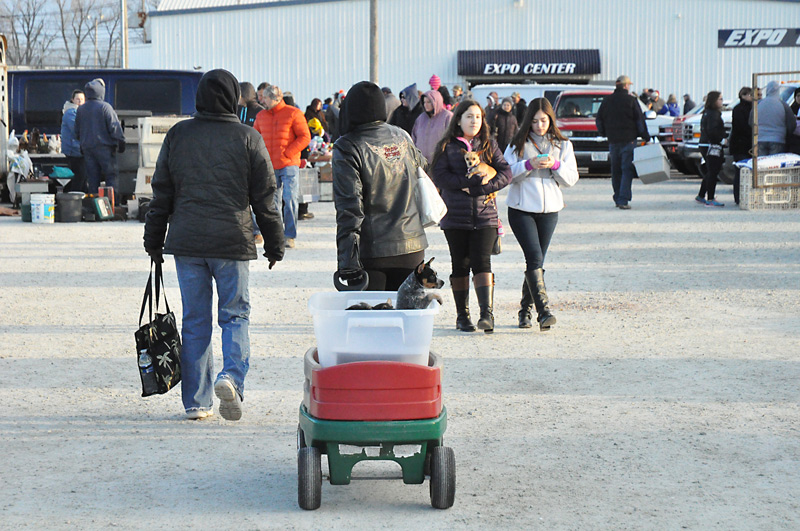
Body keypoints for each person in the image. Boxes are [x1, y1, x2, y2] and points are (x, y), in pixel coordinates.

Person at [143, 69, 285, 421]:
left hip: (188, 242)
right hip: (232, 242)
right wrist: (274, 243)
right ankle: (231, 377)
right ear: (234, 98)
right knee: (235, 315)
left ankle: (197, 402)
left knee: (195, 320)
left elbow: (162, 193)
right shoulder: (248, 137)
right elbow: (265, 197)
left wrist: (154, 240)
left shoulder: (178, 135)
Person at [332, 81, 428, 291]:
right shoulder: (401, 135)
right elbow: (422, 168)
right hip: (412, 244)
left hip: (373, 250)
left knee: (372, 311)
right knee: (407, 310)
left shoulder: (347, 145)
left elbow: (349, 207)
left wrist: (347, 260)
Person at [430, 100, 512, 334]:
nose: (474, 121)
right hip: (455, 216)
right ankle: (462, 316)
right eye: (469, 116)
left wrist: (479, 188)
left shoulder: (489, 145)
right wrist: (464, 184)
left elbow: (506, 173)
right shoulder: (446, 146)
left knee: (482, 261)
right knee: (460, 264)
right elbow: (439, 176)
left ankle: (487, 315)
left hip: (485, 215)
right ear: (458, 119)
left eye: (478, 116)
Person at [503, 98, 579, 330]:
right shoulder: (517, 143)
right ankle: (544, 312)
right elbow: (505, 174)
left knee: (536, 262)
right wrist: (528, 165)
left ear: (550, 120)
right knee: (534, 257)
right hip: (521, 209)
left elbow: (571, 178)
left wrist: (556, 165)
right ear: (528, 121)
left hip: (550, 211)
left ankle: (524, 311)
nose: (539, 126)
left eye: (544, 121)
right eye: (534, 121)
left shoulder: (563, 144)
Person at [253, 84, 311, 249]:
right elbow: (255, 137)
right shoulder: (261, 116)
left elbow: (305, 136)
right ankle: (277, 234)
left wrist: (288, 153)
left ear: (275, 98)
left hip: (289, 164)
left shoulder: (293, 113)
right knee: (272, 202)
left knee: (290, 198)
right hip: (269, 165)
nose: (262, 101)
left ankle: (290, 235)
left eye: (265, 98)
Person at [596, 75, 650, 209]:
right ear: (626, 86)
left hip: (613, 140)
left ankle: (617, 197)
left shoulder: (607, 101)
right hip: (629, 140)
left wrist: (604, 133)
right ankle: (623, 199)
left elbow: (599, 119)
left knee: (616, 170)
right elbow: (639, 120)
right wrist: (646, 136)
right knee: (626, 169)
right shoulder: (631, 100)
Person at [74, 78, 126, 196]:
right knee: (111, 177)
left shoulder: (81, 109)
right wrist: (121, 142)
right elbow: (115, 128)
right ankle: (112, 203)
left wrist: (83, 143)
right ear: (101, 92)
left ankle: (95, 204)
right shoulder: (105, 107)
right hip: (105, 149)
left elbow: (76, 131)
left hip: (87, 149)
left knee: (93, 179)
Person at [237, 82, 267, 243]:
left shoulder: (260, 112)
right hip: (239, 157)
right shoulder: (237, 110)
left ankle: (257, 231)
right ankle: (244, 229)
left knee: (256, 195)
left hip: (255, 157)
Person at [750, 80, 797, 156]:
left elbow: (751, 122)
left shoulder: (758, 104)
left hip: (760, 139)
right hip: (778, 139)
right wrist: (786, 134)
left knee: (761, 162)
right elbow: (791, 124)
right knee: (774, 162)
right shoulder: (783, 105)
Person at [696, 91, 726, 207]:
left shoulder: (707, 112)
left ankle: (701, 195)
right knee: (713, 171)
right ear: (714, 101)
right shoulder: (714, 114)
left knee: (710, 171)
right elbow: (713, 131)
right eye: (720, 99)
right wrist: (721, 140)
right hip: (711, 146)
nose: (722, 101)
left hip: (704, 144)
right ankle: (710, 198)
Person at [412, 90, 452, 164]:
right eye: (424, 102)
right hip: (421, 162)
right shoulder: (421, 118)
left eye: (429, 102)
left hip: (440, 162)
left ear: (436, 102)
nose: (426, 105)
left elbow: (452, 138)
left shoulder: (447, 117)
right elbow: (414, 137)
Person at [729, 87, 754, 205]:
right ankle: (739, 196)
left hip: (740, 144)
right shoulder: (742, 109)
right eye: (750, 95)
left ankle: (739, 197)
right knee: (741, 171)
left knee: (740, 172)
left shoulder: (739, 108)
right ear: (743, 95)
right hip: (742, 144)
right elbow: (742, 127)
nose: (752, 97)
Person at [60, 89, 87, 193]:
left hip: (78, 149)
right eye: (78, 99)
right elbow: (78, 130)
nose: (80, 102)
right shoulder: (71, 112)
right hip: (74, 150)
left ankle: (75, 196)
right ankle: (74, 198)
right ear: (72, 100)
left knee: (81, 177)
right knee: (80, 176)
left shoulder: (80, 112)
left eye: (82, 99)